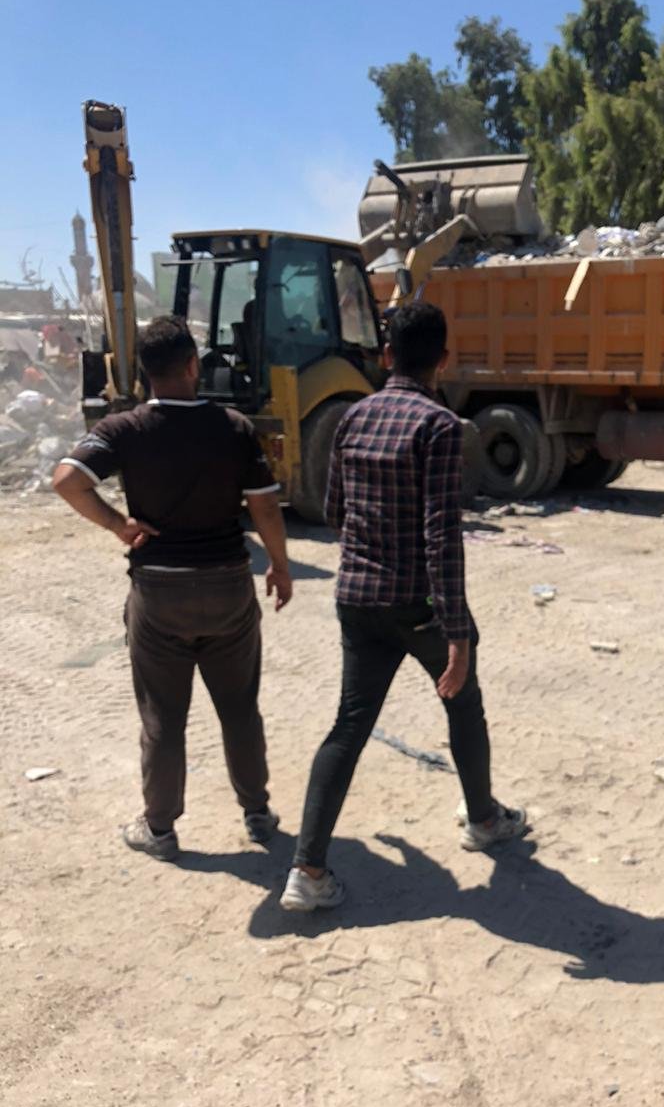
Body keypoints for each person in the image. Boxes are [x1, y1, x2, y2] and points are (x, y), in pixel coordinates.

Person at [280, 301, 528, 913]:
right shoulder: (440, 427)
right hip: (416, 604)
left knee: (348, 726)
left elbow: (334, 511)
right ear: (443, 359)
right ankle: (483, 820)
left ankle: (306, 871)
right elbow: (442, 535)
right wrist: (458, 633)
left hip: (356, 598)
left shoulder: (352, 417)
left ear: (386, 355)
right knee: (463, 702)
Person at [53, 315, 292, 862]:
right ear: (192, 366)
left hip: (159, 592)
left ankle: (160, 829)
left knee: (163, 716)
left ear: (144, 372)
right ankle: (257, 813)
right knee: (239, 708)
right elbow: (264, 507)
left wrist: (118, 524)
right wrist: (279, 566)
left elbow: (67, 481)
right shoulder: (234, 427)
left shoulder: (123, 428)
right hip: (228, 585)